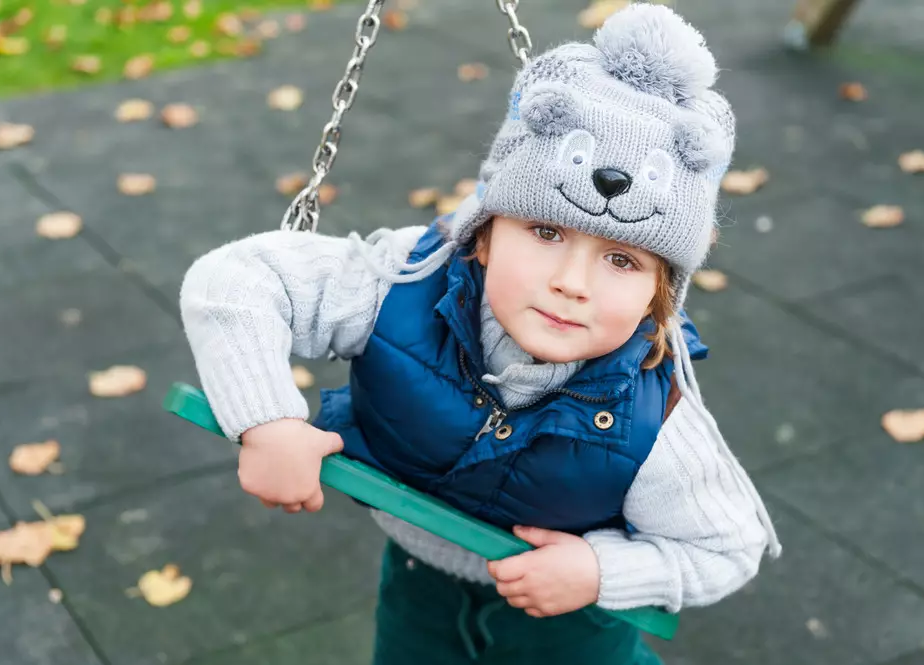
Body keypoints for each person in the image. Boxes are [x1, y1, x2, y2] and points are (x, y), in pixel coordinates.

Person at [179, 4, 782, 664]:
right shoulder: (402, 287)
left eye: (621, 260)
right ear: (484, 234)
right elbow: (235, 278)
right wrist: (264, 420)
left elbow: (729, 546)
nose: (572, 282)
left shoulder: (652, 421)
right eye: (546, 232)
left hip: (570, 625)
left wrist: (600, 570)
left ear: (656, 299)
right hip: (420, 584)